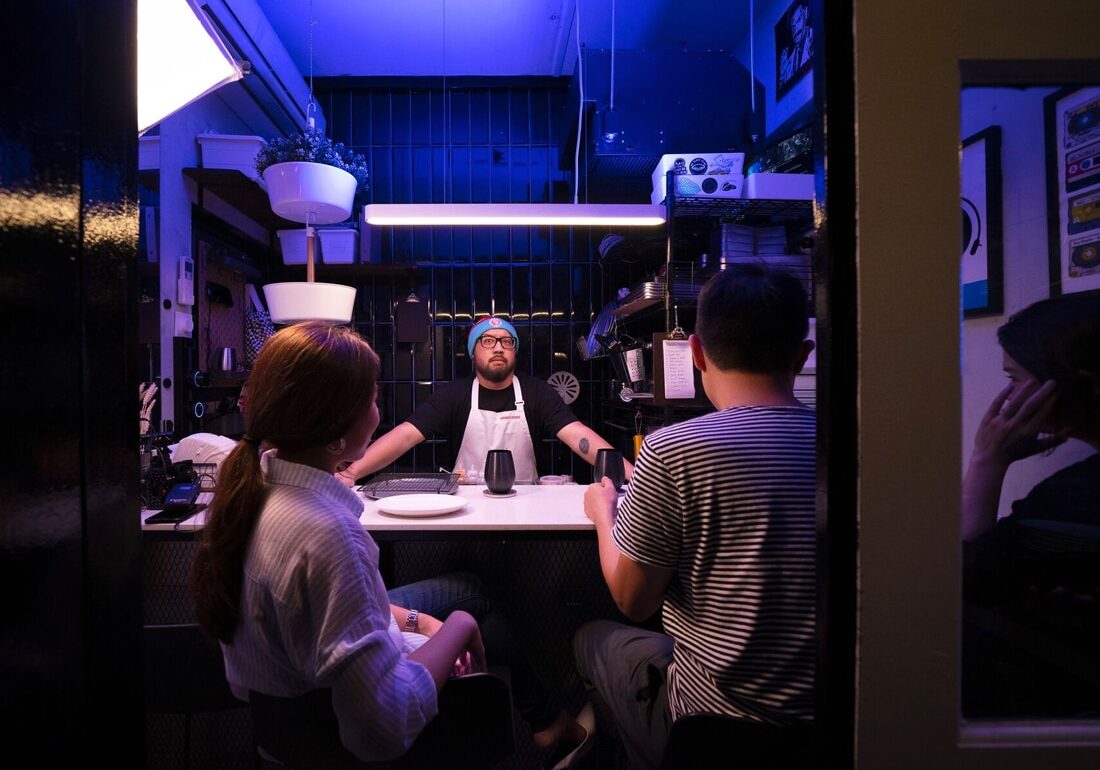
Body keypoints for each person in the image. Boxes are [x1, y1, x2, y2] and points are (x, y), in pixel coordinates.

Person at [189, 321, 590, 764]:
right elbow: (383, 729)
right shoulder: (330, 536)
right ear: (338, 420)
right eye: (373, 397)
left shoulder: (253, 493)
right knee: (474, 605)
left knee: (470, 589)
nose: (378, 409)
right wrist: (457, 626)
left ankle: (545, 720)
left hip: (280, 734)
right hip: (341, 748)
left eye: (507, 340)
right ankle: (546, 719)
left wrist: (416, 621)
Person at [573, 264, 817, 769]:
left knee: (590, 640)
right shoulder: (854, 444)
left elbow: (632, 600)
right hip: (829, 733)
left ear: (698, 353)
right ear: (803, 354)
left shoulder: (674, 450)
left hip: (712, 730)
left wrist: (603, 514)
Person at [960, 294, 1100, 716]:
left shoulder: (1072, 500)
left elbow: (964, 579)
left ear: (1082, 383)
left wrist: (987, 461)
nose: (1007, 399)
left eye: (1015, 379)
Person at [336, 315, 632, 486]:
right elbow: (404, 436)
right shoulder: (453, 395)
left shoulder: (537, 392)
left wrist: (634, 477)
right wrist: (350, 473)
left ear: (514, 351)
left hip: (526, 508)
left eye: (507, 341)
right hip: (464, 510)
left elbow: (579, 437)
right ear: (473, 352)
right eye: (488, 341)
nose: (498, 347)